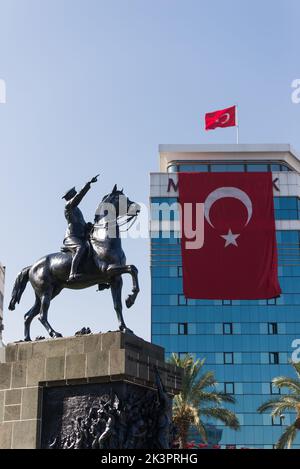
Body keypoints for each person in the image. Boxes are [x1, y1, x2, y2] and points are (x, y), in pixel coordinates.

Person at [62, 175, 99, 282]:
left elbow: (80, 223)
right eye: (74, 193)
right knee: (81, 248)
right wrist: (88, 184)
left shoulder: (76, 209)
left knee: (97, 249)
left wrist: (88, 226)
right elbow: (79, 196)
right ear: (71, 196)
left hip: (81, 235)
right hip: (72, 237)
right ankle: (72, 273)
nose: (76, 193)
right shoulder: (68, 206)